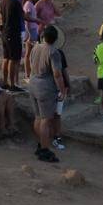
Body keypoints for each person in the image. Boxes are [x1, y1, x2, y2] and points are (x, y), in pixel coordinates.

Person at [28, 25, 67, 162]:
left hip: (33, 84)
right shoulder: (53, 52)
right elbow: (57, 74)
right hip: (45, 87)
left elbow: (30, 63)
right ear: (56, 38)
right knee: (46, 119)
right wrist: (62, 90)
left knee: (38, 117)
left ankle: (41, 144)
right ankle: (44, 149)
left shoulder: (35, 47)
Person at [0, 0, 25, 91]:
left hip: (5, 32)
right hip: (13, 32)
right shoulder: (16, 1)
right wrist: (37, 20)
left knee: (6, 57)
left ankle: (5, 83)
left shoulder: (4, 0)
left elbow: (0, 16)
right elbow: (23, 17)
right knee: (13, 59)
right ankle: (12, 84)